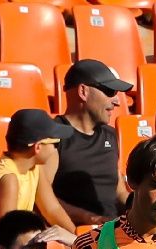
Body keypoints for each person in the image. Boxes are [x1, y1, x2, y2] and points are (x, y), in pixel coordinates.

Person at [0, 108, 79, 239]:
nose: (56, 149)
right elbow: (8, 234)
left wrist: (80, 239)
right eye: (55, 144)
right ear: (38, 147)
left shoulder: (34, 169)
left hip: (9, 247)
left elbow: (52, 210)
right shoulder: (8, 179)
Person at [52, 59, 131, 224]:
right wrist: (91, 220)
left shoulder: (110, 135)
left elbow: (118, 190)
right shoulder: (52, 135)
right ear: (83, 91)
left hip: (113, 233)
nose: (117, 101)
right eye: (109, 92)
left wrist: (140, 209)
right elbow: (42, 197)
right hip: (74, 239)